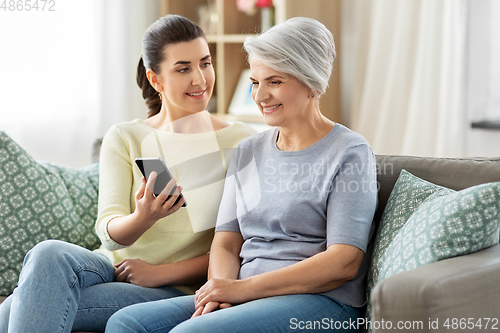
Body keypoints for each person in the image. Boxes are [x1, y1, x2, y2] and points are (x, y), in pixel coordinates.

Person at [104, 17, 378, 333]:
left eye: (274, 82)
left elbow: (343, 262)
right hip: (245, 293)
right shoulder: (248, 150)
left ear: (311, 82)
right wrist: (218, 295)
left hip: (322, 301)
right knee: (127, 322)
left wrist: (237, 291)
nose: (260, 97)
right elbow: (226, 243)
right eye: (255, 82)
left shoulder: (349, 151)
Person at [0, 14, 256, 333]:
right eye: (183, 68)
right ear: (155, 79)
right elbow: (108, 230)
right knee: (47, 251)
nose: (200, 80)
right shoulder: (125, 137)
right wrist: (144, 216)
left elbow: (244, 245)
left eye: (205, 63)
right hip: (110, 265)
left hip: (174, 286)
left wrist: (160, 273)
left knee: (13, 306)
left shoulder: (240, 141)